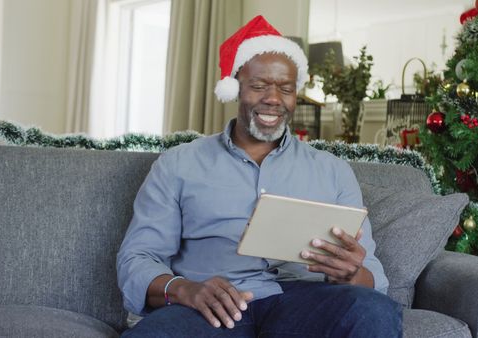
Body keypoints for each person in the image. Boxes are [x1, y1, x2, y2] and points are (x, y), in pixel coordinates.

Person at [116, 15, 402, 338]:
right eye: (259, 86)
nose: (273, 99)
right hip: (210, 307)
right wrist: (185, 290)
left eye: (285, 88)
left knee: (374, 312)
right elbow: (137, 259)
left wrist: (350, 274)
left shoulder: (333, 172)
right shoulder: (178, 165)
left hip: (305, 304)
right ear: (235, 87)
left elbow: (374, 278)